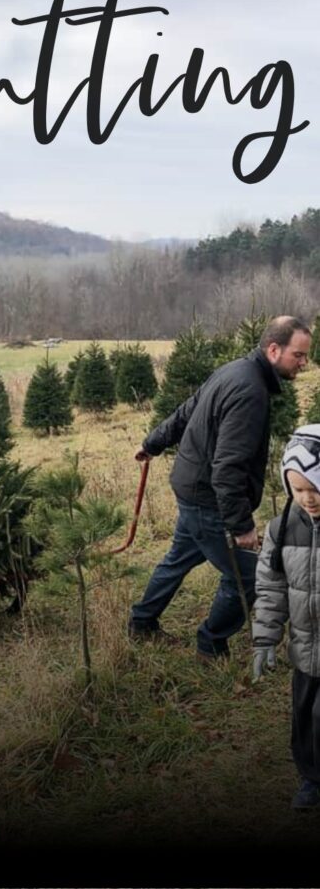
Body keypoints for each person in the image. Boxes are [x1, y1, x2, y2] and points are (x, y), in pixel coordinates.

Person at [128, 315, 311, 660]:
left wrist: (152, 443)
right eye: (298, 355)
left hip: (191, 487)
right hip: (207, 498)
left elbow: (186, 410)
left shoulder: (234, 369)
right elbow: (227, 467)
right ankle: (211, 644)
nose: (304, 363)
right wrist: (241, 526)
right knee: (249, 576)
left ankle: (141, 622)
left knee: (178, 559)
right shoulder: (251, 391)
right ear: (274, 349)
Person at [253, 425, 320, 808]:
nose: (307, 499)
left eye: (314, 488)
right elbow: (271, 587)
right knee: (305, 716)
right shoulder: (281, 530)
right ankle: (311, 779)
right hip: (306, 648)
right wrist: (265, 637)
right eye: (298, 491)